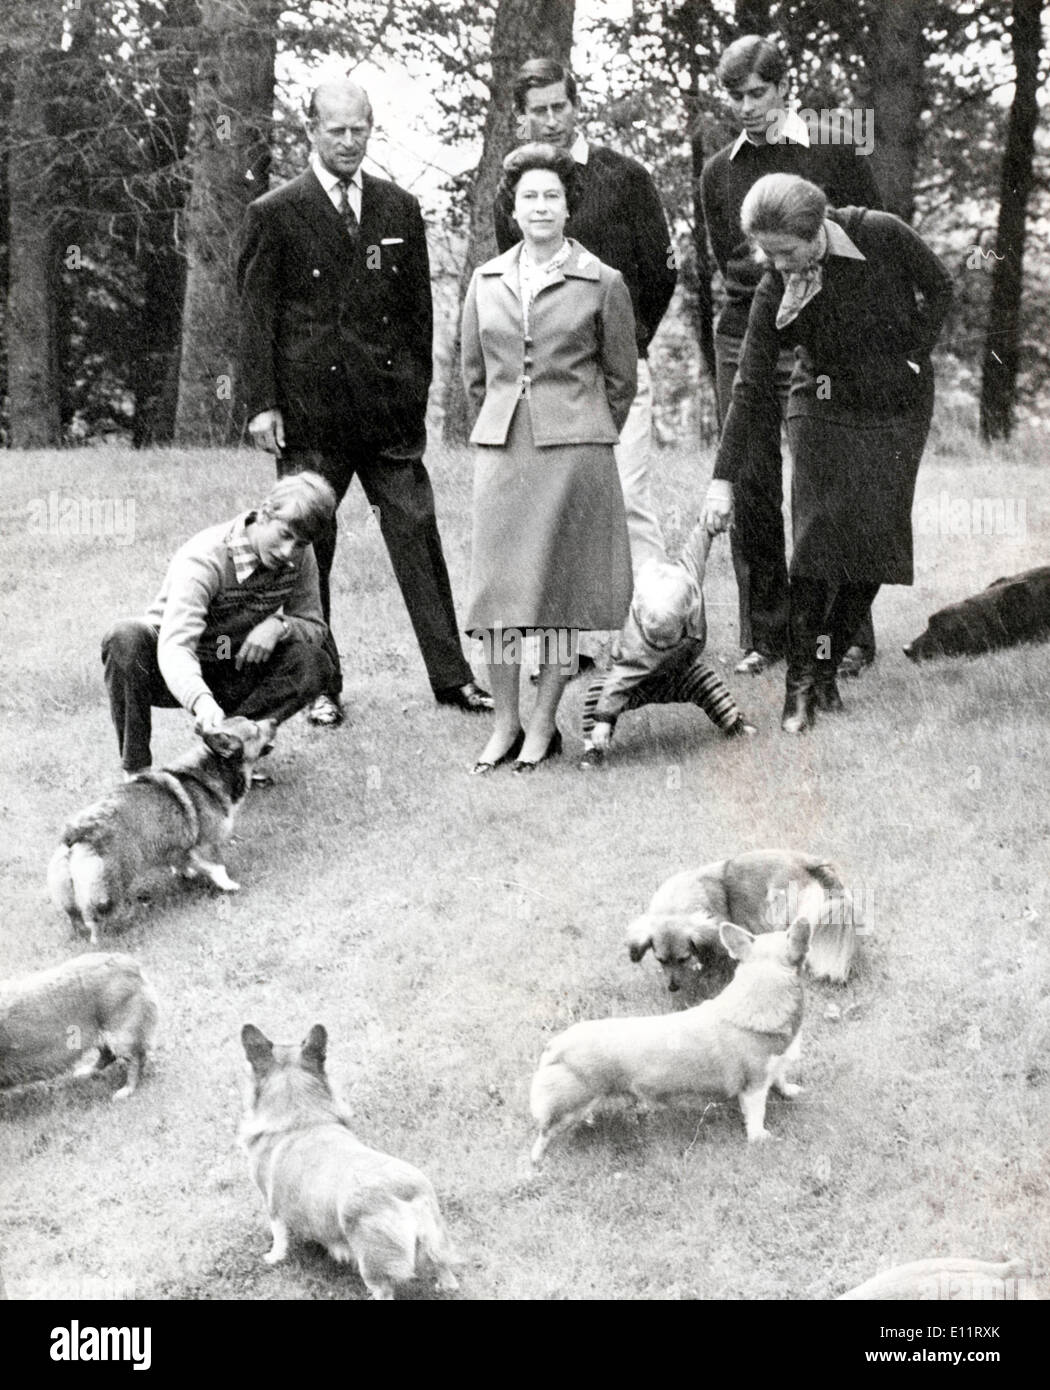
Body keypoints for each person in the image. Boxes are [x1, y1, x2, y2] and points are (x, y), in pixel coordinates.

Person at [237, 78, 491, 726]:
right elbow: (256, 316)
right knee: (307, 550)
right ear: (311, 130)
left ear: (370, 128)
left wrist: (414, 391)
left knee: (416, 535)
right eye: (336, 130)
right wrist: (262, 404)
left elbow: (418, 315)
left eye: (359, 129)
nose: (349, 142)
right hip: (310, 413)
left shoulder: (399, 208)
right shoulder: (275, 211)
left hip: (385, 413)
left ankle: (453, 678)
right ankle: (320, 685)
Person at [701, 173, 953, 733]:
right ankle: (800, 689)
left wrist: (914, 354)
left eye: (786, 252)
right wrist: (722, 480)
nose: (778, 265)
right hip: (822, 402)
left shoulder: (880, 234)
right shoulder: (775, 286)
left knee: (877, 548)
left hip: (897, 404)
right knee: (816, 542)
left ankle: (827, 667)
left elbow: (941, 287)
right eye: (767, 254)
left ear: (817, 230)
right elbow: (748, 385)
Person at [701, 34, 882, 679]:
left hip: (821, 329)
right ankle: (766, 634)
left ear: (785, 86)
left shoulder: (833, 147)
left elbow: (866, 238)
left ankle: (846, 634)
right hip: (744, 332)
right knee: (749, 479)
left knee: (825, 479)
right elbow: (720, 263)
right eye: (736, 95)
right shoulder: (719, 169)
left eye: (758, 92)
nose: (748, 106)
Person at [461, 143, 637, 773]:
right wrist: (502, 427)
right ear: (513, 207)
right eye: (529, 196)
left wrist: (583, 428)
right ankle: (505, 722)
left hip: (574, 455)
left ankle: (542, 725)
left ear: (569, 208)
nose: (540, 206)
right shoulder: (484, 281)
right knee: (500, 593)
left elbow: (621, 380)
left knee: (559, 596)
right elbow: (473, 377)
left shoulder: (603, 282)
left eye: (552, 196)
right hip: (503, 452)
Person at [495, 58, 676, 592]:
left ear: (576, 106)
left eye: (561, 106)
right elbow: (507, 280)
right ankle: (576, 633)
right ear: (520, 117)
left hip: (618, 370)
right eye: (539, 111)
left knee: (627, 496)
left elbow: (663, 271)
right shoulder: (514, 193)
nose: (552, 120)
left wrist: (629, 338)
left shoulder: (625, 177)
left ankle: (657, 631)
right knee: (560, 503)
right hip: (550, 376)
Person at [101, 472, 337, 777]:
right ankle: (137, 773)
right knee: (124, 638)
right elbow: (175, 646)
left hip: (232, 662)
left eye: (300, 543)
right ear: (265, 513)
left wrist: (279, 626)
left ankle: (231, 751)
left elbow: (314, 625)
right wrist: (201, 701)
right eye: (284, 535)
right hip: (174, 665)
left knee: (314, 662)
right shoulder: (204, 557)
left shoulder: (300, 557)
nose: (287, 552)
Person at [579, 521, 756, 769]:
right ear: (639, 615)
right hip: (635, 683)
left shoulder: (687, 581)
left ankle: (733, 723)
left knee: (706, 680)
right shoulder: (636, 645)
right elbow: (620, 680)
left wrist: (708, 526)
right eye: (654, 637)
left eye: (667, 636)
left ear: (687, 613)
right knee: (598, 693)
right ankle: (592, 749)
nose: (661, 643)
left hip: (676, 675)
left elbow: (696, 549)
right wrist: (604, 719)